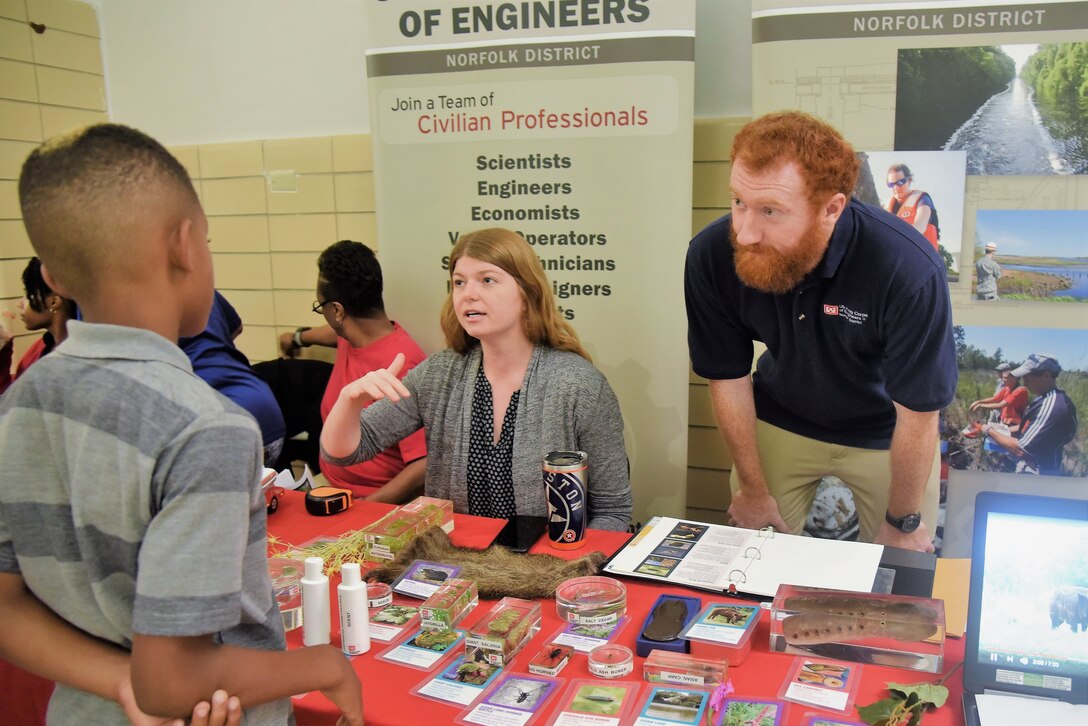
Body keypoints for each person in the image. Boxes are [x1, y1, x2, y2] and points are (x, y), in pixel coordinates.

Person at [0, 124, 363, 724]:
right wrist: (325, 666)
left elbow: (8, 609)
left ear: (54, 278)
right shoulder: (206, 427)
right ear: (186, 245)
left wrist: (122, 681)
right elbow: (175, 681)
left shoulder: (18, 406)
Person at [685, 111, 956, 553]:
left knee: (902, 573)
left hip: (887, 430)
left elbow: (919, 413)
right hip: (783, 416)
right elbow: (728, 378)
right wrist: (753, 491)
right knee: (751, 559)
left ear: (831, 208)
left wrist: (904, 522)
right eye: (738, 202)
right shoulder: (712, 254)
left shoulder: (907, 269)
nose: (746, 231)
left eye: (770, 210)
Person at [321, 228, 632, 531]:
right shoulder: (440, 374)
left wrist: (570, 569)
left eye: (487, 280)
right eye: (459, 282)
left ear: (527, 293)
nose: (468, 294)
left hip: (550, 571)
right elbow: (343, 452)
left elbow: (612, 512)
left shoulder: (579, 384)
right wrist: (350, 402)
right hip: (454, 571)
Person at [277, 240, 428, 502]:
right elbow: (332, 334)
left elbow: (422, 465)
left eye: (321, 307)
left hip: (372, 504)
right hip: (331, 489)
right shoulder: (351, 335)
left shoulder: (402, 365)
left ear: (337, 310)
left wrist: (363, 514)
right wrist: (300, 337)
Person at [180, 290, 286, 465]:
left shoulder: (139, 304)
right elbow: (236, 327)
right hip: (263, 406)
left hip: (226, 423)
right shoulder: (194, 282)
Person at [981, 354, 1078, 475]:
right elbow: (1032, 426)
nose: (1025, 384)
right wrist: (1004, 429)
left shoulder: (1052, 405)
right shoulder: (1044, 398)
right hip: (1032, 466)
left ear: (1046, 376)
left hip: (1039, 471)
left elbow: (1021, 449)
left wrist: (988, 430)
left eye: (1028, 380)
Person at [0, 257, 77, 395]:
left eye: (29, 295)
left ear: (54, 302)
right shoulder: (39, 349)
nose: (20, 303)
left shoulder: (76, 360)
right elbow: (15, 398)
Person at [885, 164, 939, 251]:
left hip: (924, 255)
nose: (896, 188)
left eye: (900, 182)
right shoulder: (887, 208)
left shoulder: (923, 199)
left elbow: (920, 226)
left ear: (909, 180)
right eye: (891, 184)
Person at [967, 365, 1028, 435]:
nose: (1003, 380)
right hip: (1004, 421)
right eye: (1003, 378)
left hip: (1014, 425)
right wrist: (978, 401)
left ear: (1014, 379)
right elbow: (995, 399)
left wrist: (980, 405)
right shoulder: (1007, 388)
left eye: (1005, 378)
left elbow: (1000, 405)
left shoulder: (1020, 391)